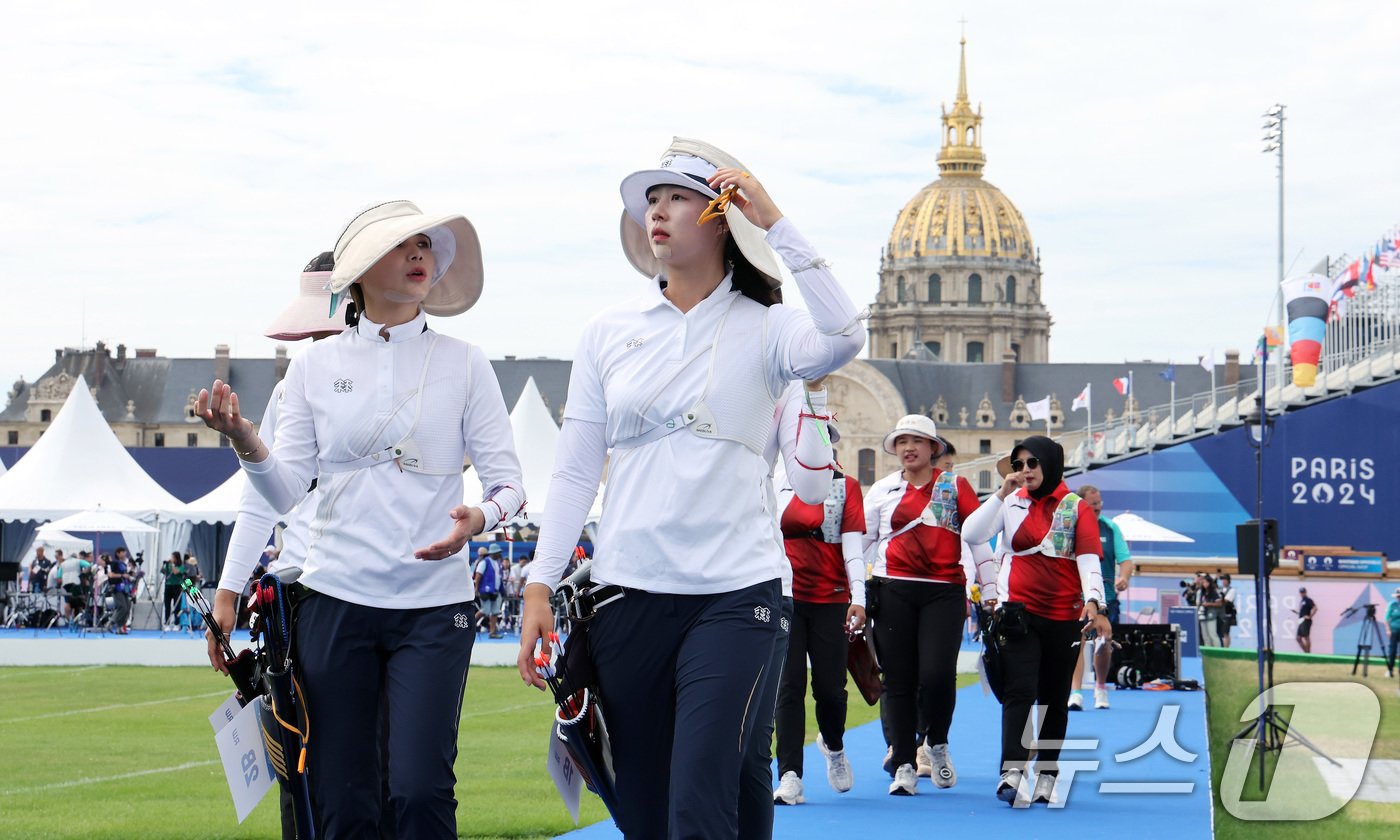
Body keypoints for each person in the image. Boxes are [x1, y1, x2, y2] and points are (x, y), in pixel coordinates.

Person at [517, 137, 865, 839]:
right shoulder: (607, 332)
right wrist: (538, 583)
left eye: (675, 196)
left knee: (699, 798)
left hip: (735, 598)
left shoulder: (769, 328)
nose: (657, 211)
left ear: (721, 217)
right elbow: (578, 467)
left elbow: (843, 332)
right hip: (626, 597)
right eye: (651, 199)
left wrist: (775, 221)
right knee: (647, 811)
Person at [199, 200, 525, 839]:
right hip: (334, 600)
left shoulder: (467, 362)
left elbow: (511, 484)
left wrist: (480, 516)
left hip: (435, 608)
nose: (419, 256)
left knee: (420, 791)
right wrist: (243, 438)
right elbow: (284, 490)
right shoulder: (313, 368)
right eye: (402, 245)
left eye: (427, 247)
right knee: (342, 801)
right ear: (356, 273)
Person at [963, 436, 1105, 806]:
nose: (1025, 470)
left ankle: (1046, 772)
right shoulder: (1010, 503)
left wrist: (1095, 602)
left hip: (1063, 617)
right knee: (1019, 692)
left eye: (1032, 463)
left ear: (1050, 464)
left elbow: (1089, 560)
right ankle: (1011, 770)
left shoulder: (1076, 508)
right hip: (1018, 616)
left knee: (1054, 698)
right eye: (1019, 464)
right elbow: (971, 534)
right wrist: (999, 494)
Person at [863, 415, 997, 796]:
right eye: (902, 441)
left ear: (933, 448)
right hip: (893, 589)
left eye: (917, 441)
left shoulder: (956, 486)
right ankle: (904, 763)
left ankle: (936, 744)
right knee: (899, 680)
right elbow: (864, 542)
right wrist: (853, 591)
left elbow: (977, 538)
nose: (909, 448)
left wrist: (989, 588)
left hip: (943, 590)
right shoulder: (884, 490)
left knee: (938, 675)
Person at [771, 411, 866, 806]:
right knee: (788, 688)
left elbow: (853, 547)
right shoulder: (771, 483)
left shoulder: (845, 487)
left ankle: (834, 743)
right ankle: (790, 775)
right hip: (784, 597)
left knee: (831, 689)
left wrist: (858, 597)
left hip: (830, 598)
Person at [1068, 485, 1130, 710]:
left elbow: (1125, 559)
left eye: (1099, 502)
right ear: (1081, 503)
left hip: (1106, 596)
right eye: (1093, 503)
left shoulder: (1110, 528)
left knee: (1103, 642)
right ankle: (1075, 691)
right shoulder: (1070, 525)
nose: (1098, 507)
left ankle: (1100, 687)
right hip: (1077, 596)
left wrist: (1123, 577)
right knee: (1077, 642)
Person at [474, 544, 504, 638]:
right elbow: (478, 576)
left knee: (495, 612)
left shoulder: (498, 563)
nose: (500, 554)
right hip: (485, 591)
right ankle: (468, 626)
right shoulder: (484, 562)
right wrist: (476, 589)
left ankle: (492, 633)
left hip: (495, 591)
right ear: (494, 553)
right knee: (485, 610)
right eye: (498, 552)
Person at [107, 547, 134, 634]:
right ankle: (111, 622)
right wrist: (122, 575)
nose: (124, 553)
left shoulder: (124, 564)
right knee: (122, 607)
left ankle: (120, 628)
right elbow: (111, 575)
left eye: (125, 552)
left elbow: (126, 577)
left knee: (127, 607)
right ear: (118, 553)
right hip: (117, 588)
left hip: (125, 588)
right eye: (122, 552)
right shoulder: (114, 563)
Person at [161, 551, 185, 629]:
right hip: (168, 586)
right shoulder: (168, 565)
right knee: (167, 605)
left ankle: (176, 623)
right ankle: (167, 623)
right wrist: (164, 564)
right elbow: (162, 571)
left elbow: (175, 572)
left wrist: (172, 564)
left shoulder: (181, 566)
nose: (172, 559)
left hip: (177, 586)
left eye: (173, 557)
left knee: (177, 605)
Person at [1215, 572, 1239, 648]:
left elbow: (1226, 600)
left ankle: (1226, 648)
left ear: (1228, 581)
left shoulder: (1232, 590)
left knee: (1225, 632)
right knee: (1219, 632)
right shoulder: (1220, 589)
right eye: (1223, 580)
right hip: (1219, 614)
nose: (1223, 581)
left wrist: (1217, 601)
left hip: (1227, 614)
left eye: (1225, 580)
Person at [1296, 586, 1316, 653]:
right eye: (1301, 593)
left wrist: (1310, 616)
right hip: (1301, 620)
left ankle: (1308, 653)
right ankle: (1306, 652)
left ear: (1305, 592)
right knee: (1298, 638)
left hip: (1306, 621)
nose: (1302, 594)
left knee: (1306, 637)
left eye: (1303, 592)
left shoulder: (1308, 600)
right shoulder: (1302, 601)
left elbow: (1315, 608)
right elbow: (1302, 612)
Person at [1385, 589, 1399, 678]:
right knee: (1392, 651)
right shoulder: (1392, 605)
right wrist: (1388, 630)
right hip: (1394, 631)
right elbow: (1387, 618)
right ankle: (1390, 670)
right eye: (1398, 596)